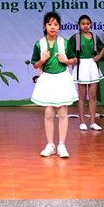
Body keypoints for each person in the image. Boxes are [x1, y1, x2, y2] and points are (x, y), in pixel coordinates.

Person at [30, 11, 78, 158]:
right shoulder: (39, 44)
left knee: (63, 113)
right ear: (44, 26)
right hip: (47, 79)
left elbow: (75, 60)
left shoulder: (65, 42)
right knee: (49, 113)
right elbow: (35, 64)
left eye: (56, 24)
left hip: (62, 78)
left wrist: (66, 61)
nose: (53, 27)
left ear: (59, 26)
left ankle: (62, 145)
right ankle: (50, 145)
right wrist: (42, 59)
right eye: (50, 24)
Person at [68, 14, 104, 131]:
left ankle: (93, 122)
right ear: (79, 25)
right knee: (82, 95)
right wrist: (74, 58)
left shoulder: (94, 36)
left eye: (87, 24)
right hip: (81, 65)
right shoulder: (75, 37)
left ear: (91, 24)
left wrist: (99, 56)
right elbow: (69, 51)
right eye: (83, 24)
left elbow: (103, 47)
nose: (85, 26)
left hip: (92, 65)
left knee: (93, 95)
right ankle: (82, 122)